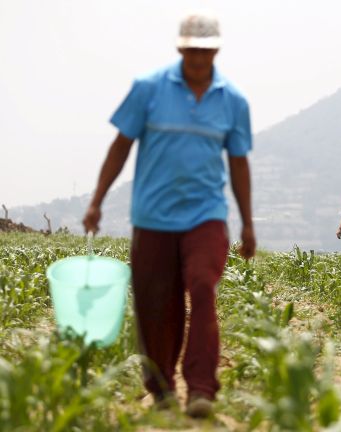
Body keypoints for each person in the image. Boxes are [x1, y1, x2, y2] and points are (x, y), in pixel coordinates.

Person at [82, 12, 255, 419]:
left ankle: (201, 388)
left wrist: (247, 222)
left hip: (206, 214)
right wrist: (96, 200)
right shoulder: (149, 89)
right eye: (191, 49)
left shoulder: (233, 100)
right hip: (153, 216)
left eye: (205, 50)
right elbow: (121, 146)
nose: (197, 57)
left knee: (202, 285)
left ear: (215, 50)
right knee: (156, 304)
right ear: (180, 48)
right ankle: (160, 390)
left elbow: (239, 163)